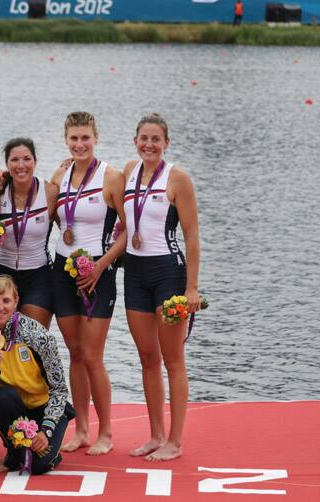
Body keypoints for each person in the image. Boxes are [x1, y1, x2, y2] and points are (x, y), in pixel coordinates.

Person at [122, 113, 201, 462]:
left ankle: (175, 440)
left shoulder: (178, 178)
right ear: (136, 141)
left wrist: (192, 288)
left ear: (166, 142)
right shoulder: (127, 173)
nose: (149, 144)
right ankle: (155, 435)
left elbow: (192, 236)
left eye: (156, 139)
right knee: (147, 358)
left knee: (173, 359)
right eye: (144, 138)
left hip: (168, 272)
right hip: (135, 273)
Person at [49, 112, 126, 456]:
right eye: (74, 139)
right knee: (76, 354)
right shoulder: (61, 174)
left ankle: (106, 432)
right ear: (66, 140)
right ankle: (80, 429)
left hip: (98, 272)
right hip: (62, 269)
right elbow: (48, 215)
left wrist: (101, 266)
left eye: (85, 138)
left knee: (93, 355)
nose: (79, 144)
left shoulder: (111, 177)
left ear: (96, 138)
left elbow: (128, 231)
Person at [0, 275, 73, 475]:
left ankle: (50, 451)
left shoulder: (38, 335)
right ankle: (13, 452)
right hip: (14, 408)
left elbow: (59, 389)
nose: (0, 307)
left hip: (44, 408)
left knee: (39, 466)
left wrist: (46, 429)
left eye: (6, 301)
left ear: (16, 301)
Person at [0, 138, 59, 328]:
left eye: (27, 159)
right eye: (14, 160)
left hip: (39, 275)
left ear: (35, 161)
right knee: (2, 341)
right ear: (7, 164)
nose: (21, 165)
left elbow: (69, 227)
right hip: (4, 272)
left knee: (34, 340)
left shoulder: (50, 192)